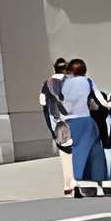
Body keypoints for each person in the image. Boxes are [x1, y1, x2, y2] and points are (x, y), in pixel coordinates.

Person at [59, 57, 109, 196]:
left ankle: (79, 182)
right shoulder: (88, 81)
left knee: (76, 150)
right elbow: (99, 99)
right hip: (84, 119)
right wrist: (107, 105)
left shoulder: (64, 84)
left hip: (68, 121)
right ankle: (96, 181)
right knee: (95, 149)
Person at [41, 58, 73, 194]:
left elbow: (43, 103)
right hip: (74, 121)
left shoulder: (47, 84)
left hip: (58, 125)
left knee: (65, 155)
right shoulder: (72, 82)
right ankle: (78, 182)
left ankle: (68, 185)